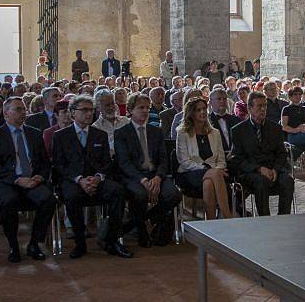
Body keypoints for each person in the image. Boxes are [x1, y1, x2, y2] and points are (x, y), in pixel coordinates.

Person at [53, 95, 132, 259]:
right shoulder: (61, 136)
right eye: (84, 110)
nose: (89, 114)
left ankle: (111, 240)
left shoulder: (99, 135)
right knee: (71, 196)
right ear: (73, 113)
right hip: (73, 181)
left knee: (117, 191)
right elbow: (59, 165)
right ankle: (80, 242)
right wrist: (79, 179)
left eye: (91, 110)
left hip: (96, 180)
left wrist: (97, 177)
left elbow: (106, 163)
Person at [0, 97, 56, 263]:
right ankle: (13, 245)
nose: (23, 112)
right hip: (7, 182)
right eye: (18, 109)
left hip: (32, 180)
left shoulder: (34, 133)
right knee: (8, 200)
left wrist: (40, 176)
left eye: (24, 109)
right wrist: (17, 180)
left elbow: (44, 162)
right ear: (6, 113)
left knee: (48, 199)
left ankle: (34, 243)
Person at [114, 93, 181, 247]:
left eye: (147, 108)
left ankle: (134, 223)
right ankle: (142, 230)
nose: (145, 111)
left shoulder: (155, 132)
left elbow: (163, 160)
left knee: (174, 195)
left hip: (155, 175)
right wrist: (142, 180)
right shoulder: (122, 133)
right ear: (130, 110)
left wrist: (158, 178)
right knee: (139, 195)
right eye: (140, 108)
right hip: (134, 177)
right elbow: (124, 163)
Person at [229, 91, 294, 216]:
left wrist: (275, 169)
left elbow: (281, 153)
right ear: (250, 108)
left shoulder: (275, 128)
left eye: (265, 106)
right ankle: (265, 220)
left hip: (273, 169)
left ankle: (284, 218)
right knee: (261, 181)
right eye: (259, 106)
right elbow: (238, 159)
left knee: (288, 180)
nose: (263, 109)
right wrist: (259, 169)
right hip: (252, 172)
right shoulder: (238, 130)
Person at [175, 97, 234, 220]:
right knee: (214, 175)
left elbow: (221, 160)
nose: (202, 112)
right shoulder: (182, 133)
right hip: (190, 173)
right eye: (198, 110)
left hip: (214, 175)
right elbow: (184, 162)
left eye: (204, 109)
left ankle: (211, 222)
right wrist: (209, 169)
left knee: (208, 183)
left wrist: (215, 170)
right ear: (191, 113)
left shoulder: (215, 133)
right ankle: (228, 216)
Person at [92, 88, 130, 156]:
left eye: (113, 103)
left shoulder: (126, 121)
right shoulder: (96, 128)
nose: (111, 107)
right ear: (98, 108)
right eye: (107, 105)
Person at [281, 87, 305, 165]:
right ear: (290, 96)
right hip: (292, 135)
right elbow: (284, 126)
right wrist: (298, 129)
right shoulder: (286, 109)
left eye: (300, 94)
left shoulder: (304, 108)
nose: (298, 96)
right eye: (295, 94)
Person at [208, 88, 240, 155]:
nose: (222, 101)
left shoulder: (236, 120)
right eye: (219, 99)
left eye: (224, 99)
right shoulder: (207, 122)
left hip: (236, 159)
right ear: (210, 102)